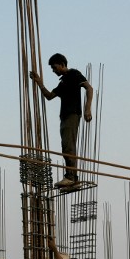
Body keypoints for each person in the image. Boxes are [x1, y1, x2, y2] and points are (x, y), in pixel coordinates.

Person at [29, 53, 94, 189]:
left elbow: (89, 88)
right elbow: (49, 96)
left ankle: (71, 177)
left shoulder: (74, 74)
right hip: (64, 117)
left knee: (68, 145)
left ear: (62, 64)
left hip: (72, 114)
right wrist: (39, 82)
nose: (54, 70)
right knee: (66, 145)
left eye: (54, 67)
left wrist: (87, 108)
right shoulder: (63, 82)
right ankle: (71, 177)